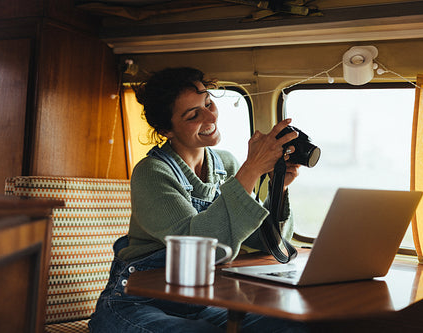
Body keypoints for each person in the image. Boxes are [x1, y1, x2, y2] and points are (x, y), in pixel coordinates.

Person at [89, 67, 306, 332]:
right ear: (166, 130)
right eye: (193, 114)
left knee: (288, 324)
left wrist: (278, 189)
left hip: (199, 302)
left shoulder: (225, 164)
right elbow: (204, 252)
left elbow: (267, 243)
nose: (209, 115)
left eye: (207, 103)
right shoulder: (152, 173)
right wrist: (251, 170)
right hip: (137, 304)